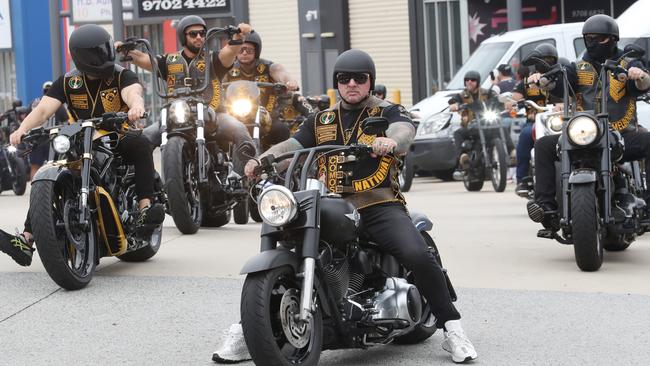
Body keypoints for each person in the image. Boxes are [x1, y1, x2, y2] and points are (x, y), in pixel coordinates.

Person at [212, 49, 478, 364]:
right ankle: (249, 329)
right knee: (284, 233)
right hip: (329, 200)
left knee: (416, 253)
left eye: (359, 78)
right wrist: (264, 158)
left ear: (370, 81)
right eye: (344, 78)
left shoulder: (387, 111)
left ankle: (452, 328)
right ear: (337, 82)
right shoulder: (321, 119)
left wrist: (390, 142)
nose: (351, 83)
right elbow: (293, 145)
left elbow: (404, 131)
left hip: (377, 203)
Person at [0, 24, 164, 266]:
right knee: (50, 171)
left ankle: (144, 209)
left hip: (117, 136)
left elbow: (133, 93)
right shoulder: (68, 82)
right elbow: (44, 109)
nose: (105, 54)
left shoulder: (121, 75)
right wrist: (22, 130)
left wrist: (136, 107)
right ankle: (27, 239)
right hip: (81, 139)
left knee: (140, 143)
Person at [526, 14, 650, 228]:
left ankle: (648, 205)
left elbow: (641, 84)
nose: (592, 43)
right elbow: (561, 86)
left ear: (612, 39)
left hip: (621, 133)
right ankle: (546, 208)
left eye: (598, 38)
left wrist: (639, 75)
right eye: (588, 38)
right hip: (585, 134)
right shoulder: (577, 67)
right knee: (543, 145)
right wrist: (542, 81)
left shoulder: (628, 62)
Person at [116, 15, 254, 174]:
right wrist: (123, 48)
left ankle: (252, 172)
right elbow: (143, 57)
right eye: (193, 34)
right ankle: (148, 182)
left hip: (213, 113)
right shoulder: (169, 60)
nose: (199, 37)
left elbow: (230, 50)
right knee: (144, 138)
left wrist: (239, 36)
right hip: (176, 115)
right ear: (183, 36)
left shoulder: (213, 58)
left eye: (202, 33)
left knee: (238, 128)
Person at [223, 31, 299, 148]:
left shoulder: (268, 67)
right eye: (241, 50)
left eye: (249, 50)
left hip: (265, 116)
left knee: (281, 130)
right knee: (218, 131)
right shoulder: (229, 69)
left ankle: (281, 163)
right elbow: (218, 82)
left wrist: (289, 82)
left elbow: (280, 71)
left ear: (256, 51)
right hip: (236, 115)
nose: (244, 53)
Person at [511, 44, 562, 195]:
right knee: (526, 135)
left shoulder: (561, 76)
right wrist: (512, 102)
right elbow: (514, 99)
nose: (546, 62)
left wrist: (562, 105)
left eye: (550, 59)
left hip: (558, 121)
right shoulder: (528, 81)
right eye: (543, 59)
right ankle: (523, 180)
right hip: (535, 121)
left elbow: (570, 95)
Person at [449, 70, 507, 173]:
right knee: (457, 133)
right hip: (470, 126)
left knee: (501, 126)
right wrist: (454, 105)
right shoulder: (462, 95)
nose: (469, 82)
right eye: (467, 80)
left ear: (478, 81)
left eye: (473, 80)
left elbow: (496, 99)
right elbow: (453, 102)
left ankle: (512, 152)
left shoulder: (486, 92)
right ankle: (463, 158)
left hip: (486, 123)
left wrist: (504, 102)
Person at [27, 81, 71, 179]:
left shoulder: (33, 102)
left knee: (35, 166)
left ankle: (34, 191)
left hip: (36, 139)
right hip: (52, 139)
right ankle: (51, 190)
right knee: (54, 165)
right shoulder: (56, 103)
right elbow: (66, 122)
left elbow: (25, 118)